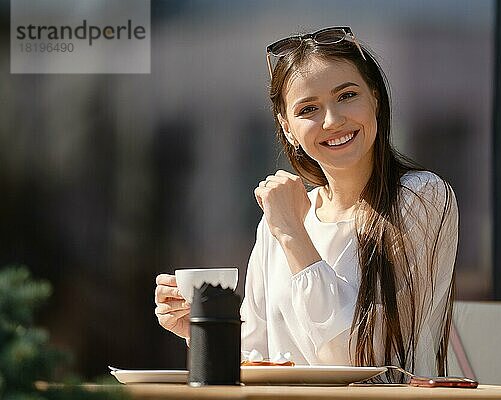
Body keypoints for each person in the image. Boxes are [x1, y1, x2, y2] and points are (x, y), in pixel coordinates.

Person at [154, 26, 458, 381]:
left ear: (375, 97)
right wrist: (202, 329)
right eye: (309, 108)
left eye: (346, 96)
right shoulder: (282, 218)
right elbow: (259, 356)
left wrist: (293, 234)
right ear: (287, 128)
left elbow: (358, 365)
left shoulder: (420, 196)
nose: (332, 120)